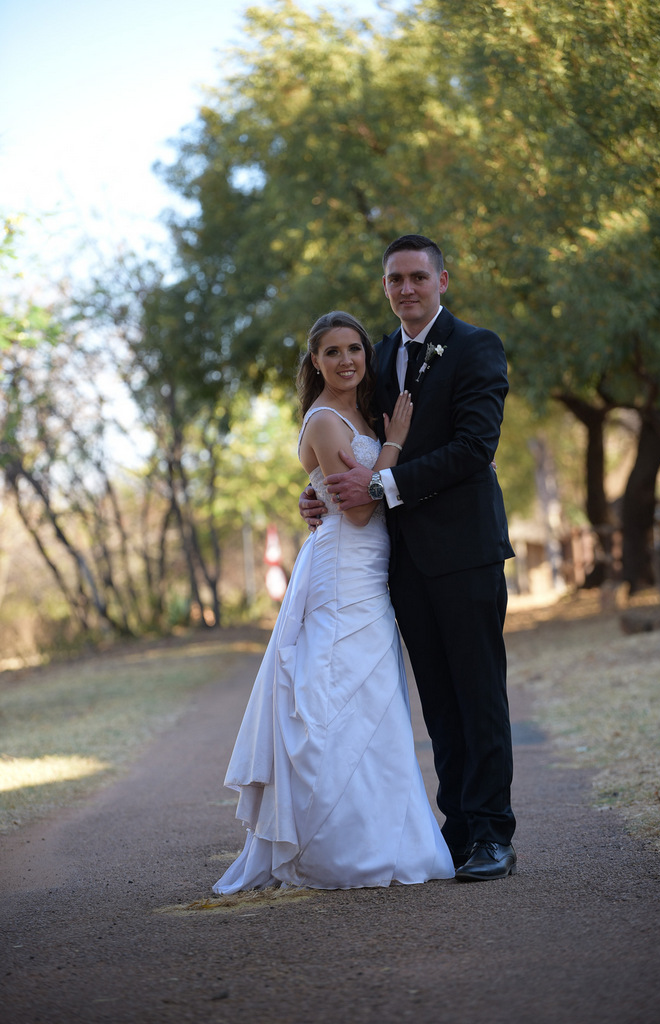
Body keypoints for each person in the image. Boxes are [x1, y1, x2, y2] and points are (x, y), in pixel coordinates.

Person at [213, 310, 455, 893]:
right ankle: (333, 849)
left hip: (370, 571)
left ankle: (384, 840)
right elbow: (362, 509)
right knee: (338, 695)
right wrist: (393, 443)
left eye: (355, 349)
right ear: (315, 362)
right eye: (332, 352)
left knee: (375, 699)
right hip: (344, 569)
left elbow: (348, 488)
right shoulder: (324, 421)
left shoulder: (361, 410)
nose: (346, 360)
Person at [300, 236, 517, 882]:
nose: (407, 289)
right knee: (439, 704)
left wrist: (380, 486)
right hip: (401, 562)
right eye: (396, 279)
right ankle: (458, 829)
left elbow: (475, 447)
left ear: (441, 281)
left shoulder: (476, 347)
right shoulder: (377, 355)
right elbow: (350, 441)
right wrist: (317, 493)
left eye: (419, 277)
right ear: (386, 287)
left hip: (466, 551)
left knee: (479, 694)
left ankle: (494, 833)